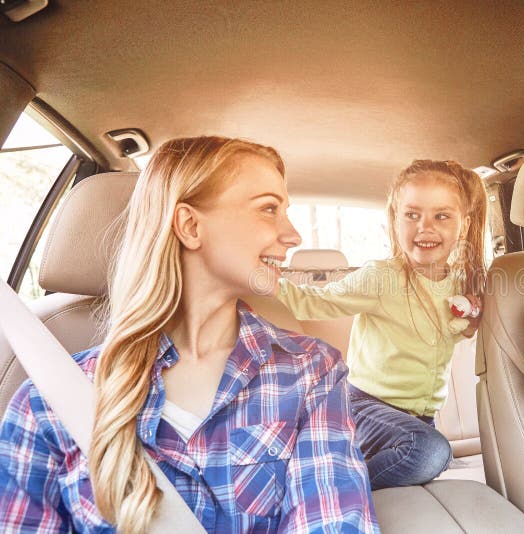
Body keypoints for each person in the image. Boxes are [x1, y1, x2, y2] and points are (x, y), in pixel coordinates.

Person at [0, 136, 379, 533]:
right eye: (269, 209)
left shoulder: (310, 372)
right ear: (190, 225)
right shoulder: (47, 404)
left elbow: (332, 519)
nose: (293, 235)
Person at [269, 160, 487, 490]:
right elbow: (313, 302)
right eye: (412, 215)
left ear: (464, 224)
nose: (425, 227)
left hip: (417, 419)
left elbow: (454, 334)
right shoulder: (382, 277)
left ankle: (353, 470)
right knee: (432, 452)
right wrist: (262, 279)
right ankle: (334, 490)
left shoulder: (459, 284)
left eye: (441, 216)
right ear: (394, 221)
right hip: (364, 404)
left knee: (431, 450)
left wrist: (471, 320)